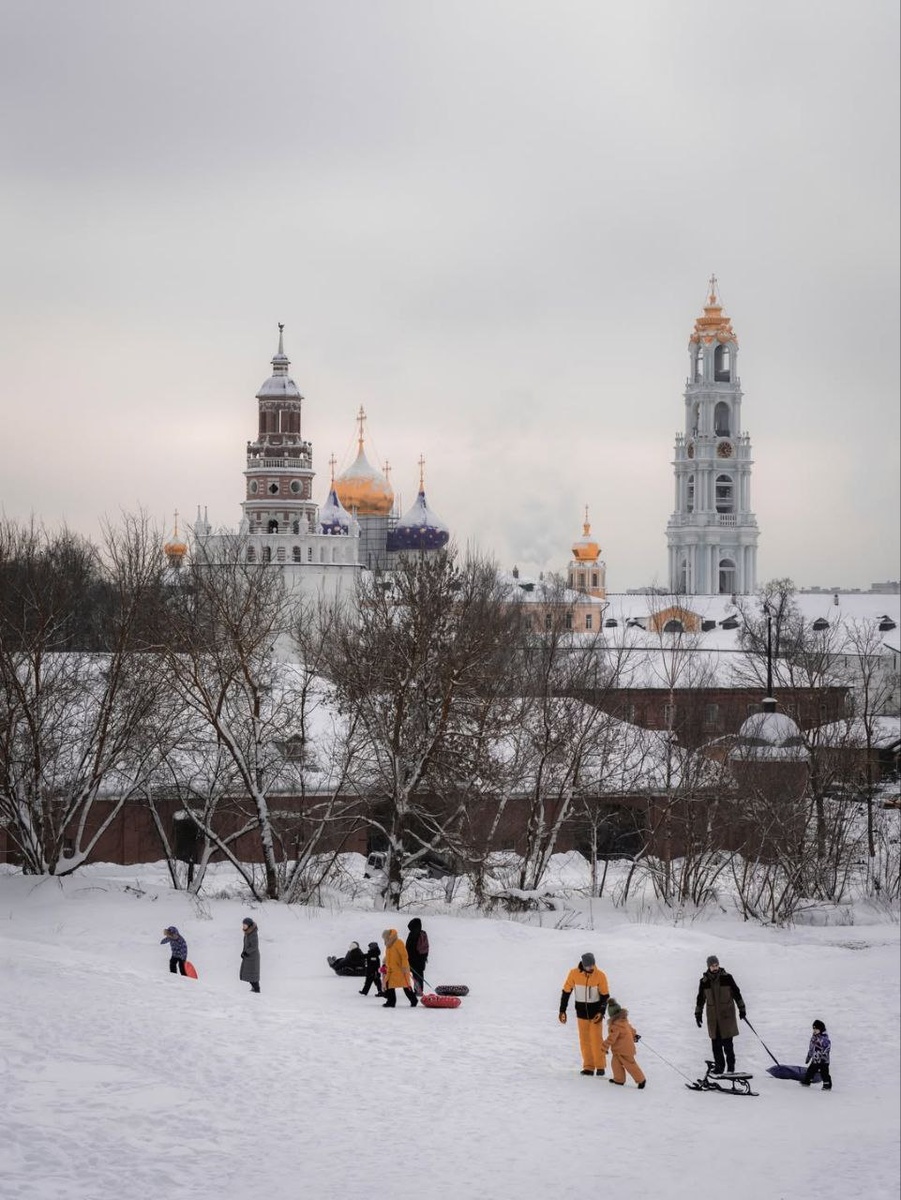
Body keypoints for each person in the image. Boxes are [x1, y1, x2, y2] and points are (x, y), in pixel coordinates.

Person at [558, 952, 610, 1076]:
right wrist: (562, 1010)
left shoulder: (600, 975)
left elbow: (605, 996)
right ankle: (589, 1067)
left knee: (596, 1040)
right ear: (583, 964)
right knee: (585, 1041)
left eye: (592, 965)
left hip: (595, 1014)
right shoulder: (574, 974)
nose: (591, 968)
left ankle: (600, 1066)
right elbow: (566, 992)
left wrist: (601, 1011)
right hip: (581, 1014)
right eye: (588, 966)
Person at [695, 954, 746, 1074]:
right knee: (716, 1046)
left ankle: (731, 1069)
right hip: (713, 1020)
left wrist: (742, 1009)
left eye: (716, 965)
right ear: (708, 967)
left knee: (728, 1046)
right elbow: (700, 999)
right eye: (712, 966)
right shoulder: (704, 982)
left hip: (726, 1018)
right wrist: (698, 1014)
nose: (715, 967)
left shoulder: (727, 978)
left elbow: (737, 993)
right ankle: (719, 1067)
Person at [603, 999, 646, 1089]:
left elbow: (611, 1038)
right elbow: (631, 1030)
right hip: (620, 1050)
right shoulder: (624, 1021)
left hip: (624, 1050)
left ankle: (641, 1080)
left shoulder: (615, 1026)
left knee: (630, 1066)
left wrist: (604, 1047)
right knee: (615, 1064)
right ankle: (619, 1080)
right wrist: (635, 1035)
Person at [381, 928, 418, 1008]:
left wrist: (404, 966)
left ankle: (414, 1000)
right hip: (392, 970)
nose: (384, 939)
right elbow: (389, 955)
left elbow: (404, 955)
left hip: (401, 969)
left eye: (385, 938)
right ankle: (391, 1002)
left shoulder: (398, 942)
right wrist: (385, 960)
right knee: (389, 985)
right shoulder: (388, 945)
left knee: (406, 986)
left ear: (389, 936)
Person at [801, 1019, 832, 1090]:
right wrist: (809, 1056)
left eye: (816, 1029)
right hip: (815, 1059)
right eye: (814, 1029)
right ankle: (806, 1082)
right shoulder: (813, 1038)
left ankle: (827, 1085)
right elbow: (811, 1048)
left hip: (824, 1061)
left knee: (824, 1073)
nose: (814, 1030)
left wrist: (823, 1056)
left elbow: (827, 1048)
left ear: (821, 1029)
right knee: (810, 1070)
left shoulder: (824, 1039)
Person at [405, 918, 429, 995]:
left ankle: (417, 990)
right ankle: (419, 990)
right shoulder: (423, 934)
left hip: (413, 959)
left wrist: (407, 957)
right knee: (419, 974)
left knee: (414, 975)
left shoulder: (413, 934)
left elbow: (409, 947)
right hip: (422, 958)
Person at [240, 916, 261, 994]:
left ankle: (257, 989)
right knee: (250, 975)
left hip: (253, 958)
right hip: (249, 957)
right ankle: (254, 988)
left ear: (249, 925)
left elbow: (254, 946)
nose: (243, 926)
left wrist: (246, 952)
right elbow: (246, 945)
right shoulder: (248, 933)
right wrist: (243, 952)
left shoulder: (253, 934)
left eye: (245, 925)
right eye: (243, 925)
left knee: (253, 975)